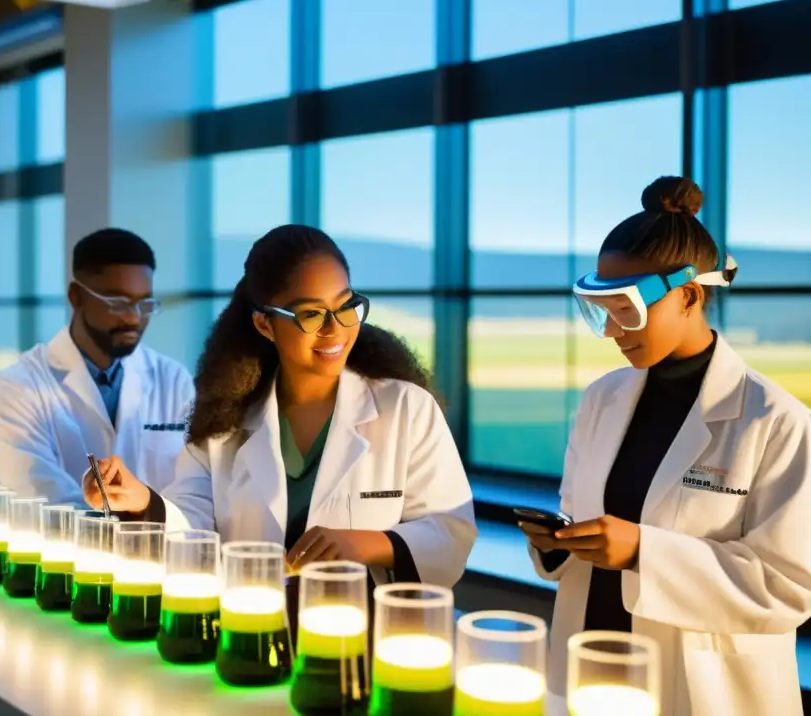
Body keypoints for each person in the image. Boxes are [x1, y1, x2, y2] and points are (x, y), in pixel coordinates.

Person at [520, 176, 811, 716]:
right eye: (599, 309)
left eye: (626, 309)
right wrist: (557, 541)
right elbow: (582, 515)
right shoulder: (601, 399)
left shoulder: (777, 423)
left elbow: (789, 587)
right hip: (593, 666)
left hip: (705, 689)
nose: (611, 330)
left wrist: (641, 552)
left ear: (690, 295)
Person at [83, 224, 476, 589]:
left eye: (345, 306)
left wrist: (370, 544)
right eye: (310, 314)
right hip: (252, 631)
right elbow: (193, 524)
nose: (334, 329)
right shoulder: (226, 423)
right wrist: (140, 501)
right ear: (265, 325)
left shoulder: (407, 409)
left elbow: (451, 530)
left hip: (365, 639)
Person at [0, 228, 195, 505]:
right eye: (118, 303)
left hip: (161, 546)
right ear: (76, 296)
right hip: (66, 547)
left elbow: (192, 490)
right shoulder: (20, 385)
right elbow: (35, 498)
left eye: (144, 304)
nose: (134, 319)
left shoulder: (173, 380)